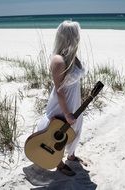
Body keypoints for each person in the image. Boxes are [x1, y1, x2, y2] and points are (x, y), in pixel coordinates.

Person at [36, 20, 85, 176]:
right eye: (76, 35)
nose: (78, 38)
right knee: (57, 130)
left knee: (76, 128)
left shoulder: (73, 57)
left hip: (75, 100)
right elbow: (59, 91)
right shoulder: (58, 60)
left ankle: (71, 155)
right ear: (69, 37)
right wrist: (66, 113)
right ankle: (58, 161)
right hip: (62, 103)